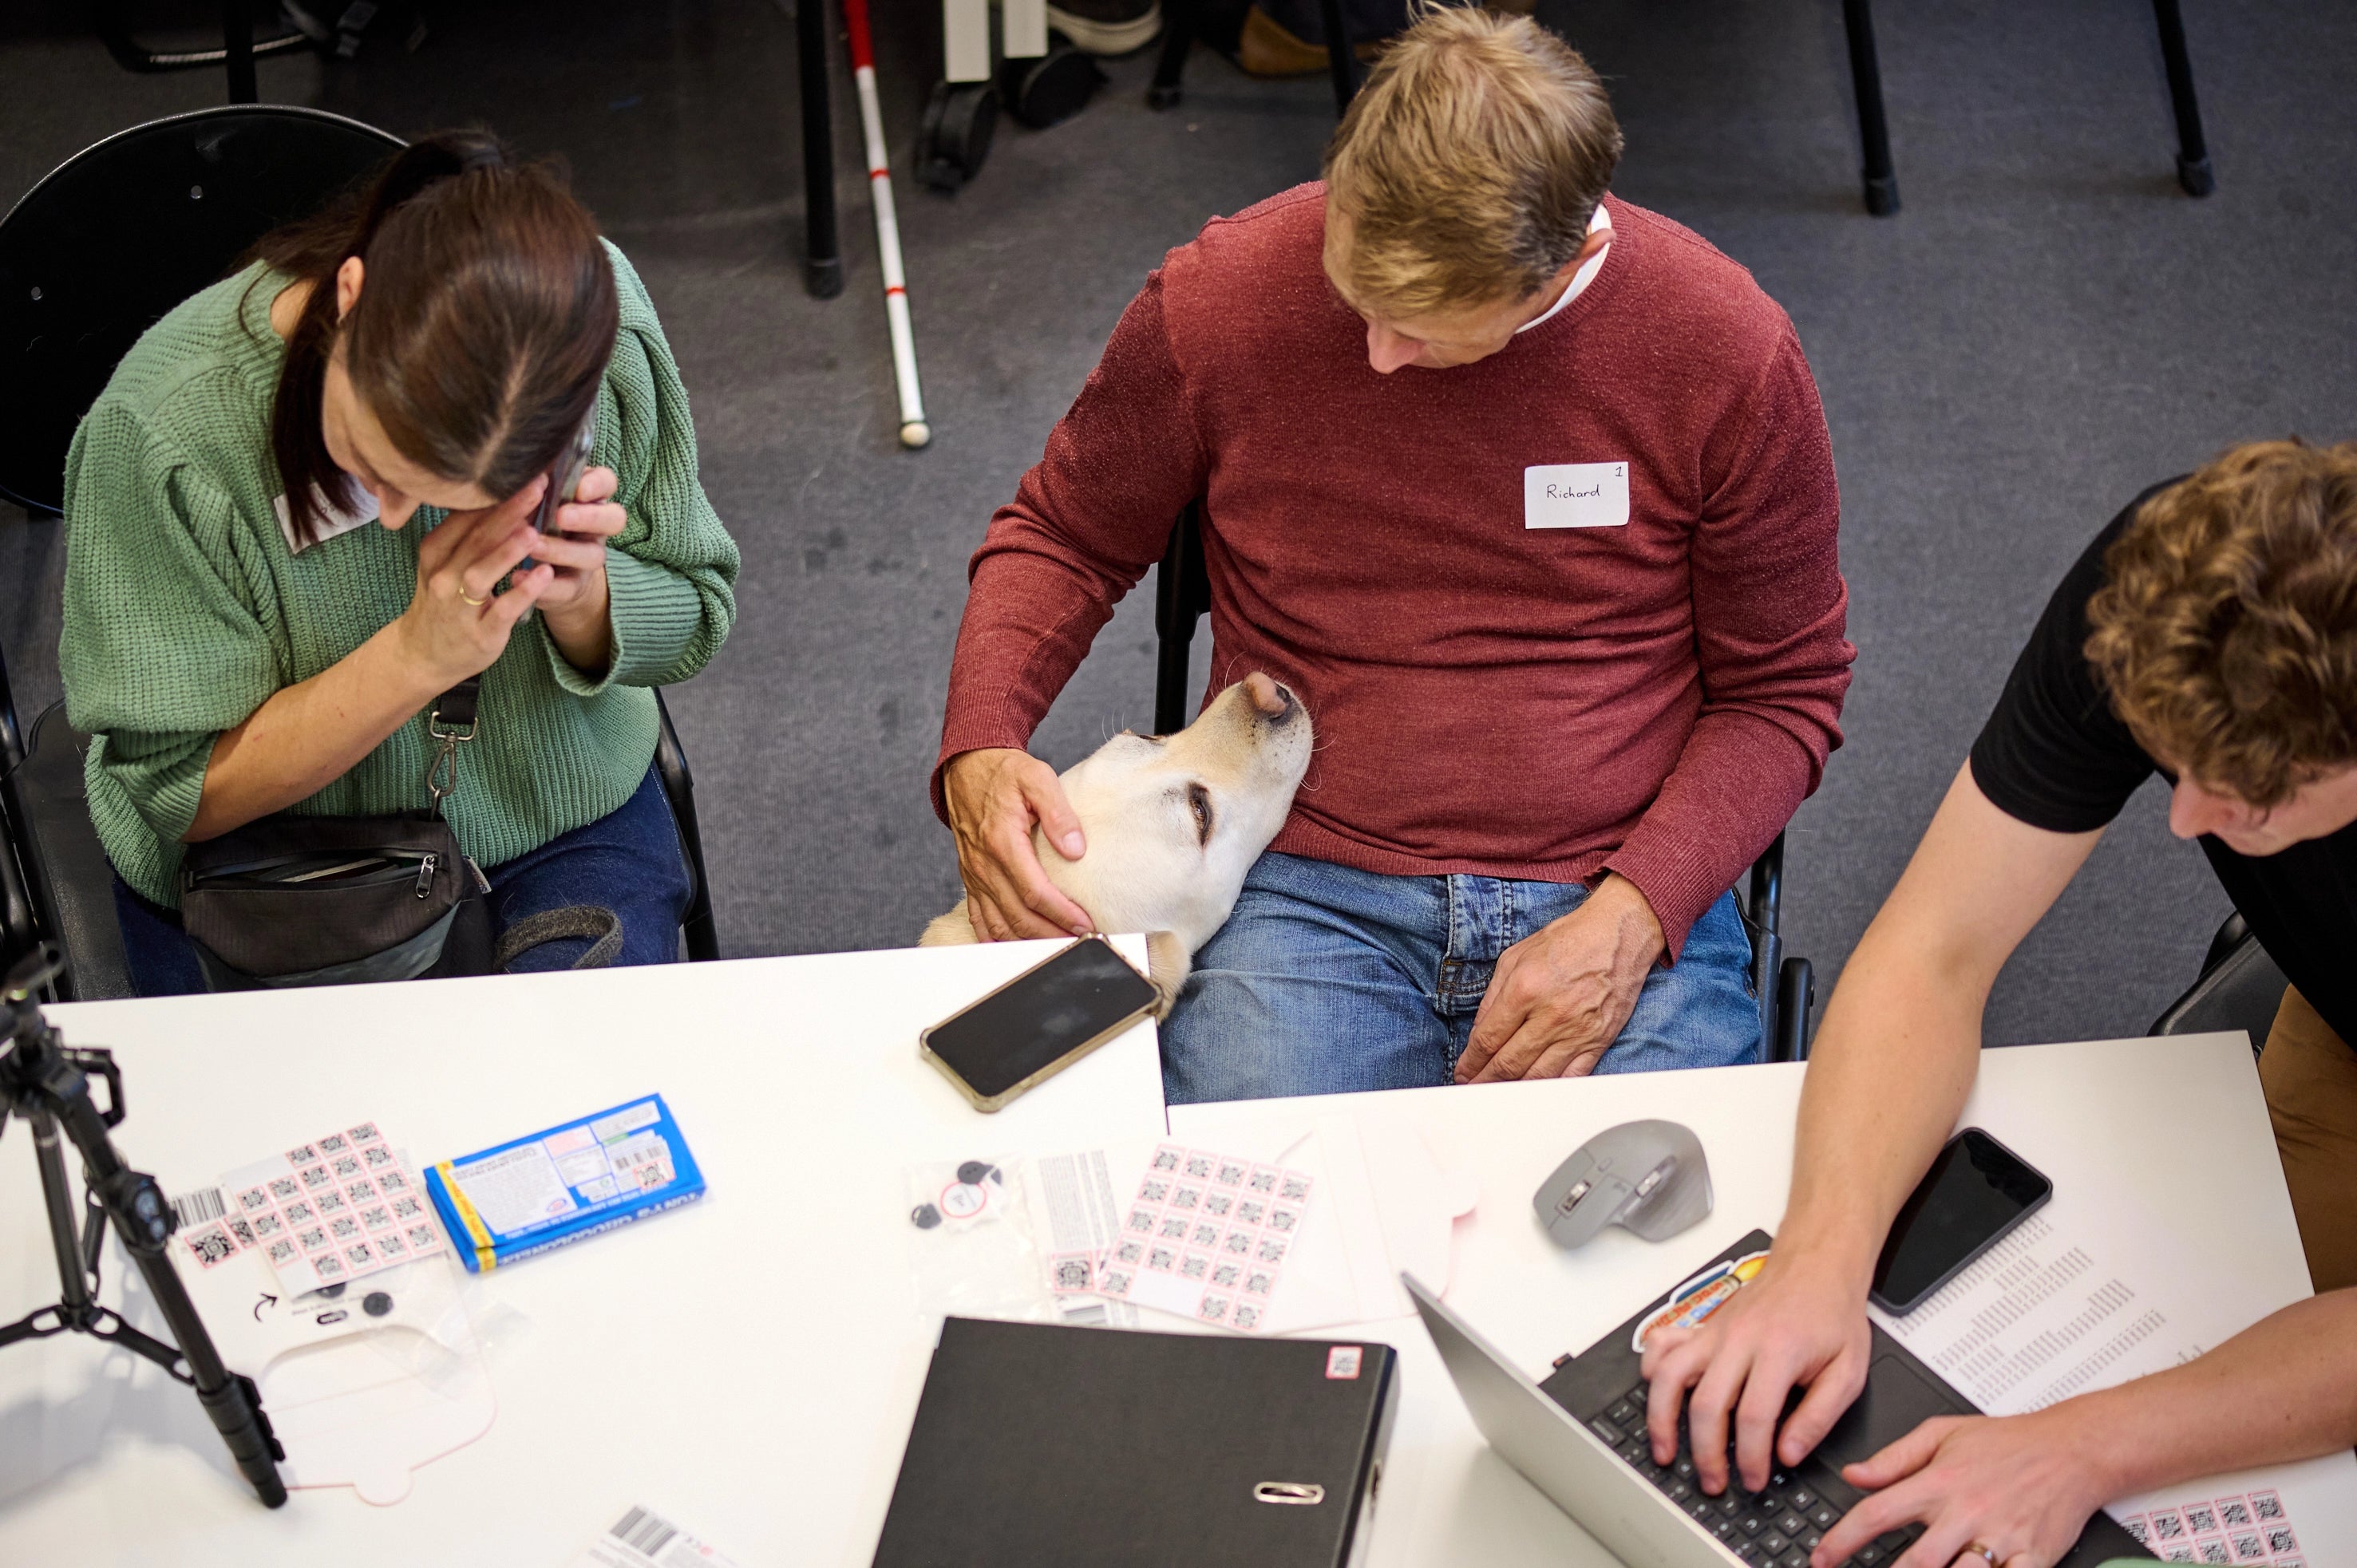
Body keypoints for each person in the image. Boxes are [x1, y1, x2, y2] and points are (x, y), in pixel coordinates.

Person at [932, 6, 1853, 1104]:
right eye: (1353, 294)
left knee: (1641, 1258)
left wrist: (1633, 913)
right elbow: (1065, 535)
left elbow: (1783, 691)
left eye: (1424, 330)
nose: (1374, 355)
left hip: (1611, 882)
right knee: (1270, 1233)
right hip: (1304, 878)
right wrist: (981, 746)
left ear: (1567, 258)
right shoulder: (1222, 296)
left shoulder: (1723, 352)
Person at [1638, 440, 2357, 1568]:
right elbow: (1935, 948)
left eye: (2250, 795)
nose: (2187, 822)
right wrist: (1817, 1260)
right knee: (2235, 1339)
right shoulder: (2172, 582)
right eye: (2176, 768)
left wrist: (2083, 1448)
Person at [60, 132, 739, 994]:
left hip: (555, 815)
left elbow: (697, 612)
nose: (393, 517)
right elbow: (180, 796)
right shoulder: (167, 439)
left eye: (454, 496)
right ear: (350, 295)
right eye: (369, 464)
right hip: (277, 871)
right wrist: (414, 660)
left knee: (565, 1111)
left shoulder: (589, 334)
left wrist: (588, 602)